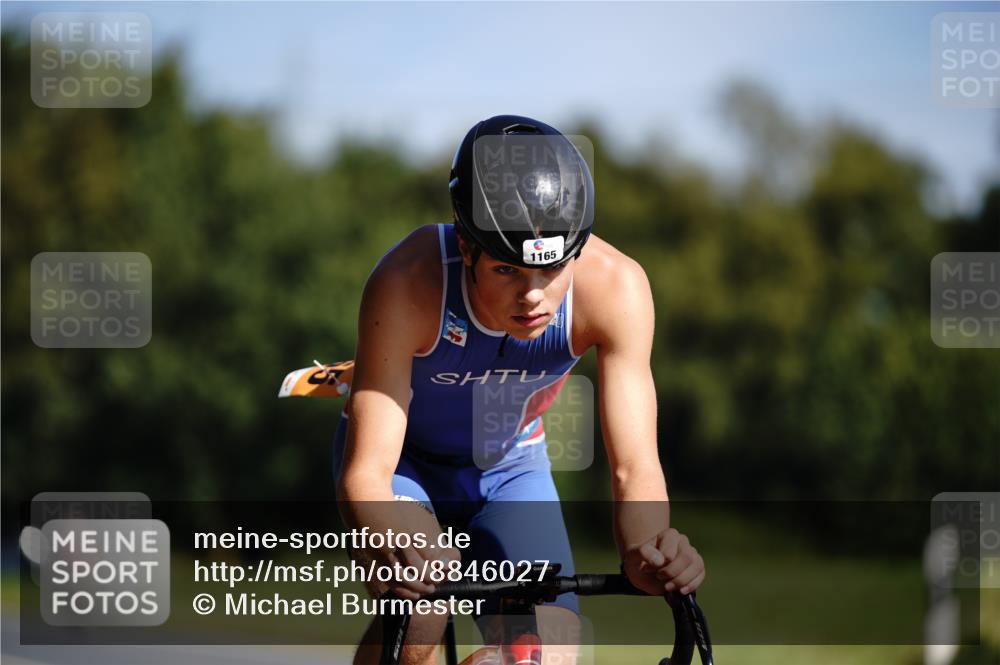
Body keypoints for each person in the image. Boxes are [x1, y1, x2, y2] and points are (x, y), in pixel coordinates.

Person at [333, 115, 705, 665]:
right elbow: (365, 474)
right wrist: (392, 539)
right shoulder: (407, 280)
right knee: (423, 609)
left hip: (509, 467)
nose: (533, 296)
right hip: (401, 465)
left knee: (541, 654)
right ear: (466, 243)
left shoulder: (617, 287)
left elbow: (634, 468)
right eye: (507, 270)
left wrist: (650, 551)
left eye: (551, 268)